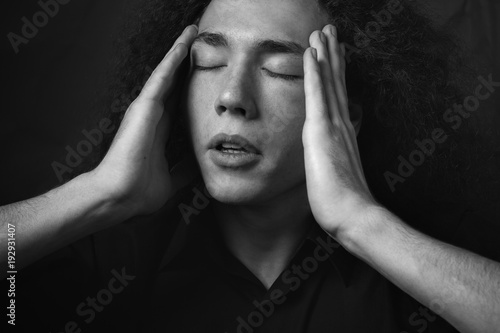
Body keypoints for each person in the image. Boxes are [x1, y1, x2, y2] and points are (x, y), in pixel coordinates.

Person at [1, 0, 499, 332]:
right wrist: (99, 193)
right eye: (209, 64)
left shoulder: (426, 269)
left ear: (345, 112)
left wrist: (360, 221)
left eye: (278, 69)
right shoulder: (103, 263)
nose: (233, 97)